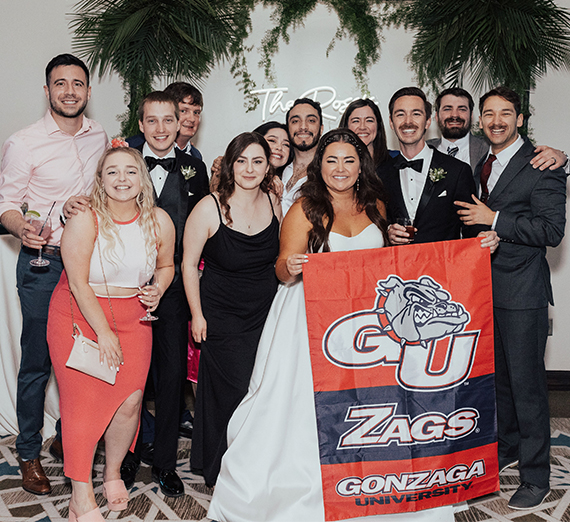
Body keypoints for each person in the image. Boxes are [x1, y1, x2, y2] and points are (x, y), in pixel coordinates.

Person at [209, 128, 453, 522]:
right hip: (308, 317)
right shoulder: (304, 208)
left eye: (349, 160)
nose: (340, 168)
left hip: (363, 320)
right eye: (332, 160)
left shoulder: (375, 204)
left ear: (361, 166)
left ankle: (366, 479)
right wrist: (290, 266)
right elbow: (282, 268)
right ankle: (305, 484)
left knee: (368, 402)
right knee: (303, 405)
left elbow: (384, 266)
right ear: (319, 166)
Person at [46, 146, 174, 520]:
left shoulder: (159, 220)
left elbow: (166, 265)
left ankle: (113, 471)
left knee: (130, 402)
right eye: (113, 172)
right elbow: (78, 283)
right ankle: (80, 495)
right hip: (81, 316)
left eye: (130, 172)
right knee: (82, 407)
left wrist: (159, 288)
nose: (122, 179)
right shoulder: (86, 219)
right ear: (100, 180)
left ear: (142, 178)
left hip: (134, 318)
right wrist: (104, 333)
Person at [0, 53, 108, 495]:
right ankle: (28, 453)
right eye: (60, 84)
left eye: (77, 84)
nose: (69, 91)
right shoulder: (24, 142)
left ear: (87, 90)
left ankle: (69, 438)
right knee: (38, 362)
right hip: (45, 262)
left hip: (93, 262)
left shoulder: (99, 135)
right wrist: (20, 227)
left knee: (83, 355)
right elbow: (5, 203)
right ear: (47, 91)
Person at [455, 86, 566, 510]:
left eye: (505, 113)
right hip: (484, 291)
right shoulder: (483, 161)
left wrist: (494, 218)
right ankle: (508, 449)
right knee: (499, 383)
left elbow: (550, 232)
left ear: (520, 119)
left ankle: (536, 476)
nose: (496, 120)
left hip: (522, 292)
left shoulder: (542, 164)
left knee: (528, 387)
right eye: (489, 113)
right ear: (480, 120)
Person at [120, 91, 209, 496]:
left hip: (173, 289)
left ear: (180, 124)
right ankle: (126, 456)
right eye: (151, 121)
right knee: (130, 378)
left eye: (168, 120)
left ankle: (165, 463)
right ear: (141, 125)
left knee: (172, 379)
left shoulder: (195, 167)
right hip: (127, 286)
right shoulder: (121, 163)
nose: (160, 128)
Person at [182, 132, 281, 487]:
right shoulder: (210, 206)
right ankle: (223, 468)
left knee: (262, 392)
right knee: (232, 393)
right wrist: (197, 314)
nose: (249, 169)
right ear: (229, 165)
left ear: (268, 166)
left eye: (257, 161)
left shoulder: (273, 201)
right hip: (221, 317)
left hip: (266, 315)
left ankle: (253, 466)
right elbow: (189, 264)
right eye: (242, 161)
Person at [379, 87, 497, 250]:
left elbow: (470, 224)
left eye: (416, 114)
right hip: (397, 272)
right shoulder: (381, 173)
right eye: (400, 114)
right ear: (391, 123)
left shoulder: (458, 170)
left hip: (443, 270)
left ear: (428, 121)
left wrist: (482, 236)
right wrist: (387, 232)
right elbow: (375, 222)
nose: (408, 121)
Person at [427, 87, 568, 173]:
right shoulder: (423, 149)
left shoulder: (493, 149)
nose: (455, 115)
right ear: (436, 117)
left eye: (462, 109)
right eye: (447, 109)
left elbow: (531, 162)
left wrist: (563, 160)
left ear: (472, 116)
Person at [127, 82, 204, 160]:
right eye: (183, 111)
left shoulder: (196, 155)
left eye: (196, 112)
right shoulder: (129, 148)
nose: (192, 119)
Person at [282, 98, 324, 215]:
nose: (303, 127)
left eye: (311, 120)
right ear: (288, 128)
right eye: (295, 121)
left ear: (321, 129)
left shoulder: (328, 173)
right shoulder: (277, 168)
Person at [339, 98, 393, 168]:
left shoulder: (393, 164)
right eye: (356, 121)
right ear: (346, 126)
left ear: (378, 125)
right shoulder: (336, 166)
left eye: (369, 120)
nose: (362, 127)